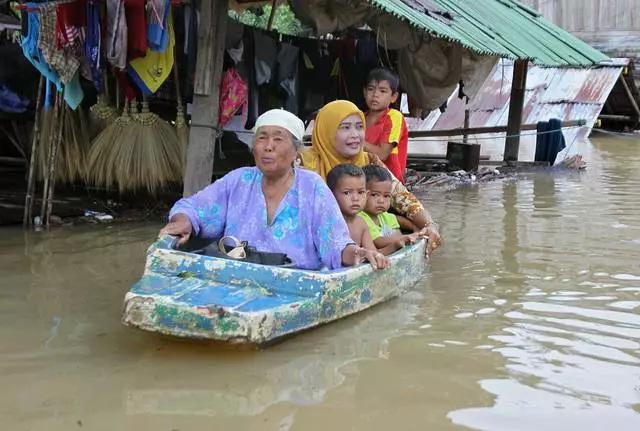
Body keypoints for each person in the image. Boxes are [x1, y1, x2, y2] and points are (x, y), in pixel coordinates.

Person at [159, 109, 385, 270]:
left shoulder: (312, 187)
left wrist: (358, 253)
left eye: (278, 139)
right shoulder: (239, 180)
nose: (268, 146)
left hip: (295, 282)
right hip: (236, 272)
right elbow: (194, 207)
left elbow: (334, 242)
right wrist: (183, 220)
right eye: (261, 139)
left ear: (297, 152)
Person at [299, 99, 442, 257]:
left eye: (360, 127)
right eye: (345, 127)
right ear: (326, 130)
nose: (355, 135)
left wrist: (430, 225)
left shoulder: (369, 160)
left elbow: (403, 198)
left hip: (362, 242)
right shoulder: (303, 162)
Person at [326, 164, 392, 265]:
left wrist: (395, 245)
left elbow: (373, 253)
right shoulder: (327, 222)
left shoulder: (361, 222)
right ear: (330, 194)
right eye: (347, 193)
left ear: (366, 193)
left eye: (360, 192)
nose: (355, 198)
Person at [359, 165, 419, 255]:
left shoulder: (384, 215)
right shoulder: (361, 217)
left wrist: (415, 228)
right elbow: (378, 241)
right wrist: (406, 237)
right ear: (361, 193)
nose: (381, 201)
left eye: (386, 196)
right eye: (374, 195)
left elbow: (397, 220)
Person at [362, 68, 409, 184]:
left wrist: (357, 142)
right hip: (363, 182)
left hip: (389, 184)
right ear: (364, 92)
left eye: (382, 91)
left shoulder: (394, 117)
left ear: (393, 97)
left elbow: (382, 154)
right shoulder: (359, 117)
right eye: (371, 89)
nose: (375, 95)